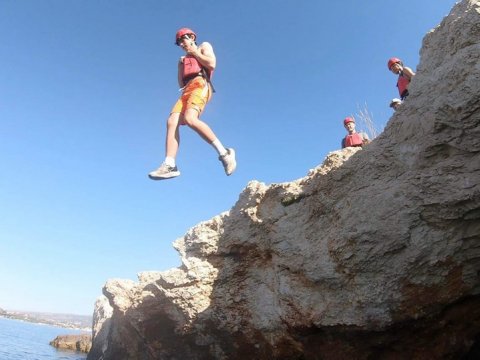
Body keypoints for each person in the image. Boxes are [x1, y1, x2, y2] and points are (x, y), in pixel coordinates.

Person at [149, 28, 236, 180]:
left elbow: (212, 63)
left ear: (191, 37)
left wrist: (194, 52)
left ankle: (225, 153)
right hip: (186, 90)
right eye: (179, 43)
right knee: (171, 121)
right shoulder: (184, 59)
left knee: (190, 119)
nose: (182, 44)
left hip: (201, 84)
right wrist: (180, 66)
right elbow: (181, 83)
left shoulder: (203, 46)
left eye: (183, 40)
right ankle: (170, 164)